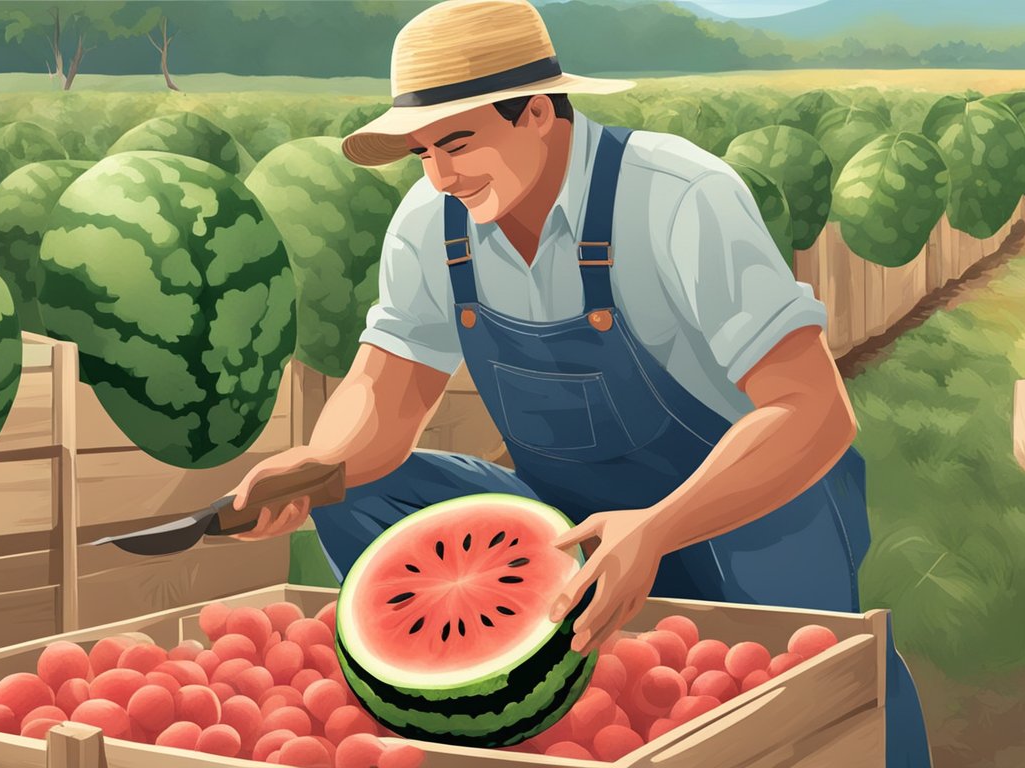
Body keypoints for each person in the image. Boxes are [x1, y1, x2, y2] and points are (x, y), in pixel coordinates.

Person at [230, 0, 931, 763]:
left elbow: (814, 412)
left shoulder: (678, 196)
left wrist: (657, 527)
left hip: (751, 511)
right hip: (570, 522)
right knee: (355, 490)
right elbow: (385, 387)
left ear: (535, 112)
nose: (439, 175)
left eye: (457, 143)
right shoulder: (431, 219)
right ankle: (477, 695)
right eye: (421, 153)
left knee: (810, 699)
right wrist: (323, 460)